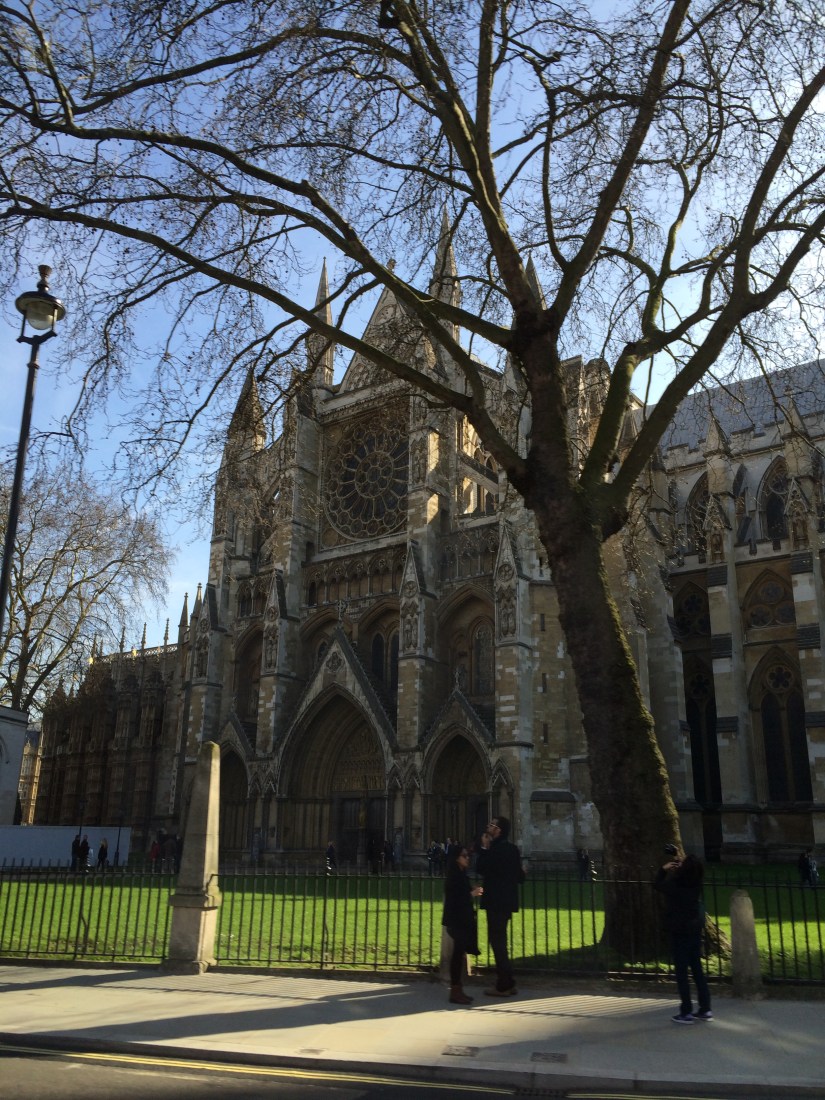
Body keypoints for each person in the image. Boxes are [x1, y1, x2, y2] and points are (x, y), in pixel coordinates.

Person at [654, 852, 712, 1024]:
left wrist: (664, 869)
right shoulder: (696, 883)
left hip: (679, 932)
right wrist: (683, 867)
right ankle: (705, 1009)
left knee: (682, 974)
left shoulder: (675, 884)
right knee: (697, 971)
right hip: (694, 931)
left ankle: (686, 1012)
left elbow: (657, 884)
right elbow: (689, 874)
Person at [475, 815, 524, 996]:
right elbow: (520, 877)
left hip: (495, 902)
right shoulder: (512, 849)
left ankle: (503, 985)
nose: (489, 827)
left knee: (497, 944)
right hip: (507, 903)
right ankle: (508, 982)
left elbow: (481, 868)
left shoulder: (494, 849)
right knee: (500, 942)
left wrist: (484, 848)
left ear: (499, 830)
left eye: (492, 825)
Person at [442, 846, 483, 1005]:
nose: (468, 858)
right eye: (464, 856)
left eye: (468, 855)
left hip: (459, 920)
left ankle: (457, 989)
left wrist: (471, 890)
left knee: (459, 955)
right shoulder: (454, 876)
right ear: (457, 858)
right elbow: (455, 899)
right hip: (456, 921)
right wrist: (471, 894)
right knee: (457, 957)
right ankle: (455, 991)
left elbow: (460, 893)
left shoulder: (460, 874)